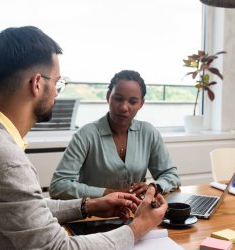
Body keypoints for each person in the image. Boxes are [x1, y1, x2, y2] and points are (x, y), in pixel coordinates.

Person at [0, 26, 167, 250]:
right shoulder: (1, 156)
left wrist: (88, 206)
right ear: (37, 83)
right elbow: (58, 248)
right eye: (57, 82)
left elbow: (28, 208)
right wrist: (139, 227)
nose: (57, 92)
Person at [49, 70, 181, 200]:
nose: (124, 107)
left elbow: (171, 176)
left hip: (136, 214)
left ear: (141, 104)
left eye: (133, 101)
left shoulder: (148, 133)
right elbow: (58, 186)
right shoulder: (86, 135)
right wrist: (108, 193)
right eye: (118, 99)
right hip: (93, 217)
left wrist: (154, 187)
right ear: (108, 96)